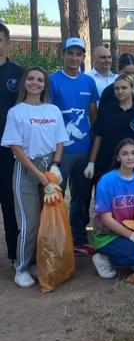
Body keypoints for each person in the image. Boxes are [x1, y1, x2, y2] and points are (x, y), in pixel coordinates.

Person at [1, 67, 68, 287]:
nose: (35, 83)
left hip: (50, 170)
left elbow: (60, 141)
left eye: (40, 80)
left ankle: (38, 262)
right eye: (30, 79)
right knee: (30, 223)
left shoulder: (53, 110)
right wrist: (38, 175)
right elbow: (15, 147)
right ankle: (21, 267)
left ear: (44, 85)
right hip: (27, 171)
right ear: (24, 83)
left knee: (48, 222)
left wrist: (56, 166)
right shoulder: (16, 112)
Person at [49, 37, 99, 256]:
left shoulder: (88, 82)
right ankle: (53, 238)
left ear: (83, 57)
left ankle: (78, 237)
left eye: (79, 54)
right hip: (59, 150)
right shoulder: (52, 80)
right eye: (70, 53)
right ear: (64, 54)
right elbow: (47, 114)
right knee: (54, 195)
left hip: (84, 149)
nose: (74, 58)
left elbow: (93, 114)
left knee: (81, 195)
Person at [91, 138, 134, 279]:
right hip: (107, 236)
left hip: (133, 231)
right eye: (125, 154)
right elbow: (106, 219)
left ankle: (124, 254)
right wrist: (133, 236)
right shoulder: (106, 181)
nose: (130, 157)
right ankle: (103, 257)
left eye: (133, 153)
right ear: (118, 157)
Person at [84, 75, 134, 183]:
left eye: (124, 88)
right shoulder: (106, 111)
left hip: (131, 164)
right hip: (106, 164)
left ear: (132, 89)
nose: (120, 91)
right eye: (117, 88)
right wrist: (91, 163)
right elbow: (98, 138)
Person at [0, 23, 23, 264]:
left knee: (10, 204)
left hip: (9, 151)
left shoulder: (19, 74)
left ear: (7, 42)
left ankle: (16, 255)